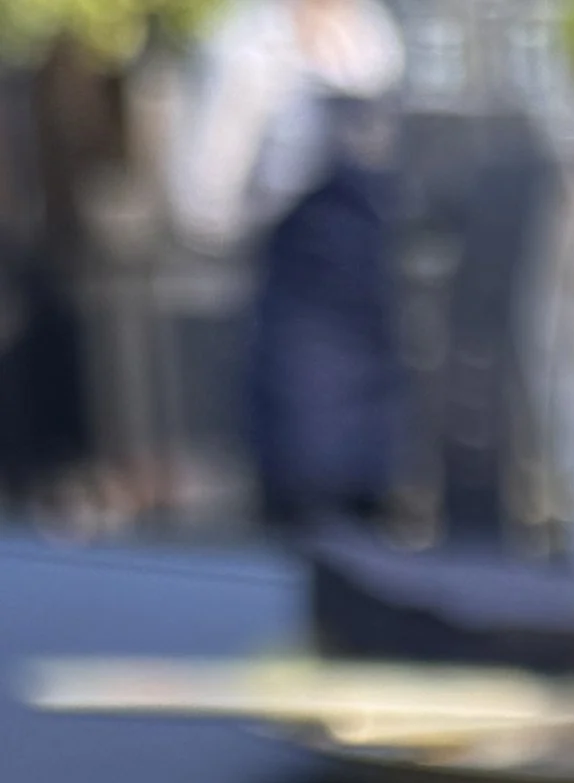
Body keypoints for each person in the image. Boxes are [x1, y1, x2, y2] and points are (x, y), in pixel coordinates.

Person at [166, 0, 404, 530]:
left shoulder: (374, 31)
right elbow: (204, 196)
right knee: (306, 478)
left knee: (371, 487)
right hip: (297, 293)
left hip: (370, 300)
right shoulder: (247, 43)